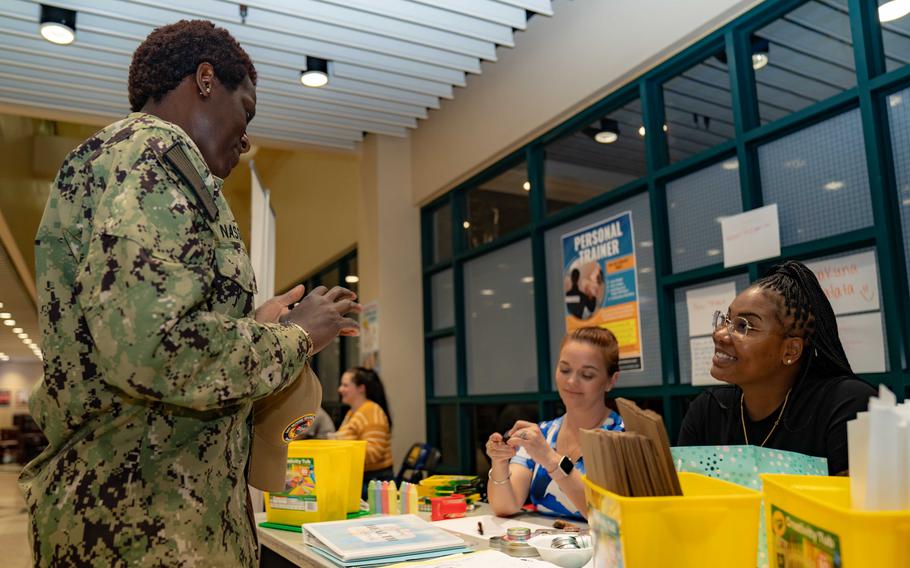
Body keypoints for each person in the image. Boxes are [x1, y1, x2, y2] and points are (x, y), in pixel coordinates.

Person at [19, 20, 360, 566]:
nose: (246, 138)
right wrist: (294, 337)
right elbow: (152, 351)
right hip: (143, 528)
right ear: (205, 80)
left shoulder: (132, 163)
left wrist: (255, 326)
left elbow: (149, 327)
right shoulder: (156, 159)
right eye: (245, 111)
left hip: (144, 519)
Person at [677, 261, 876, 475]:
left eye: (743, 326)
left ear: (790, 350)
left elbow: (856, 503)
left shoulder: (846, 406)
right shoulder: (708, 411)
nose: (720, 334)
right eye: (726, 320)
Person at [485, 327, 625, 519]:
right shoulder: (543, 433)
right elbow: (505, 506)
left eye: (587, 375)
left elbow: (607, 516)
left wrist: (551, 460)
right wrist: (499, 462)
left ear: (611, 380)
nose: (571, 381)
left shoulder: (624, 438)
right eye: (565, 370)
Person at [331, 367, 394, 495]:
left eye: (345, 385)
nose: (340, 389)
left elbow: (375, 453)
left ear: (361, 388)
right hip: (362, 479)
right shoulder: (353, 412)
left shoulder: (371, 412)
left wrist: (340, 448)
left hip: (373, 483)